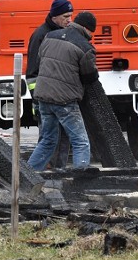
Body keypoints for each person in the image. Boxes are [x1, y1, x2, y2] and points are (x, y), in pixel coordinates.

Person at [27, 11, 98, 172]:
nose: (91, 37)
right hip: (64, 100)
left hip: (43, 97)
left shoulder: (50, 36)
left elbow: (40, 61)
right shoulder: (85, 47)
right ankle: (80, 177)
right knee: (80, 140)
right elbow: (89, 76)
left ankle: (29, 173)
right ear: (87, 29)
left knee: (47, 140)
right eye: (91, 33)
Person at [26, 0, 73, 169]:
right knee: (49, 140)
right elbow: (32, 74)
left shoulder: (64, 33)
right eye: (66, 16)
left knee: (63, 140)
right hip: (45, 101)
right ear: (54, 17)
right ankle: (42, 176)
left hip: (62, 99)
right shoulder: (40, 36)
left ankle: (58, 173)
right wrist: (39, 100)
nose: (69, 20)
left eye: (71, 15)